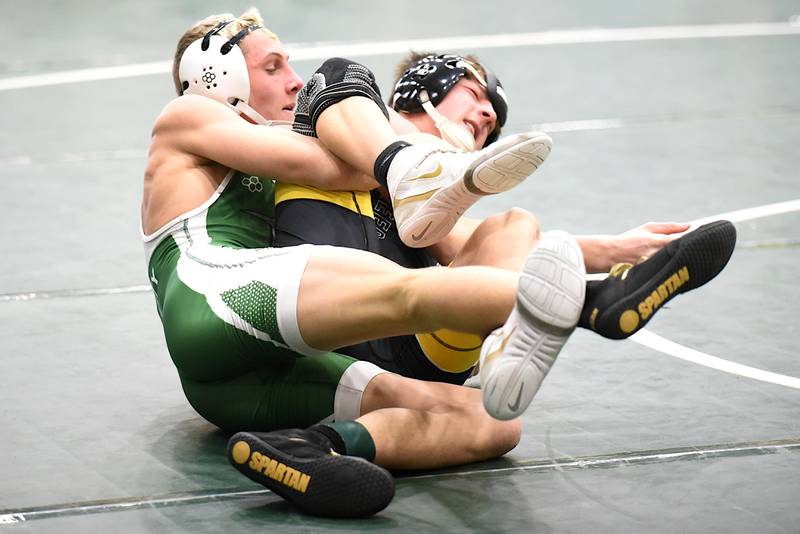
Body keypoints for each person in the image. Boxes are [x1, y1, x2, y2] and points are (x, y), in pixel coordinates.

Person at [142, 9, 737, 517]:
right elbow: (324, 164)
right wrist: (427, 153)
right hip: (222, 294)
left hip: (264, 374)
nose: (292, 81)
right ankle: (592, 303)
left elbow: (475, 244)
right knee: (409, 280)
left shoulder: (295, 158)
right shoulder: (199, 118)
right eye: (274, 67)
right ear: (211, 73)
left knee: (497, 420)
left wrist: (613, 246)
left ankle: (316, 450)